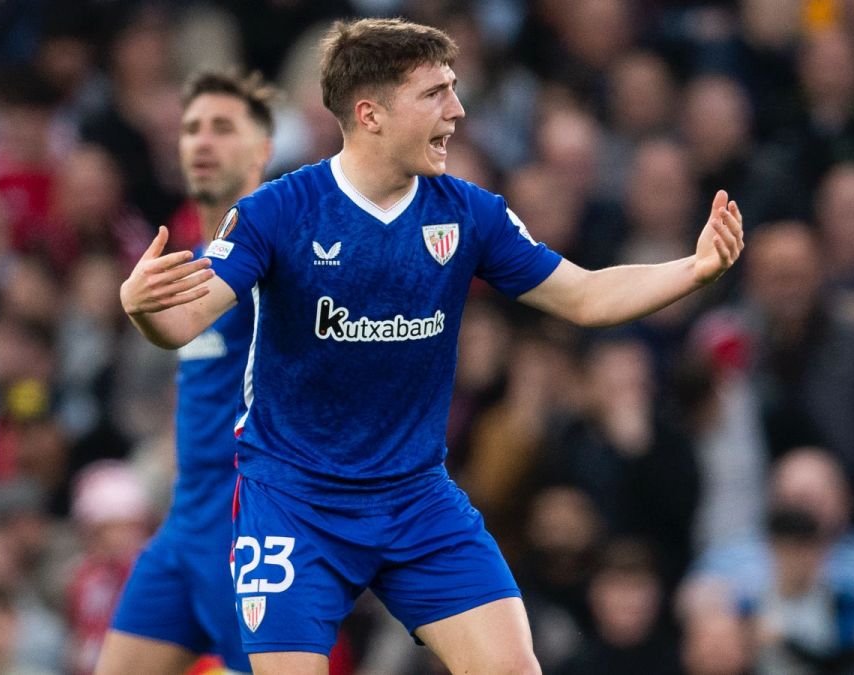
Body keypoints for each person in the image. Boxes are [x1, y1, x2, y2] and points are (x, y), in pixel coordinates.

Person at [120, 18, 743, 673]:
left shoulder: (469, 213)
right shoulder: (280, 211)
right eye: (436, 94)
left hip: (416, 498)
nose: (458, 110)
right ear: (371, 113)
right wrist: (143, 309)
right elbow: (189, 316)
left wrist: (694, 269)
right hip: (295, 503)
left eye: (455, 89)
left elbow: (584, 295)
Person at [97, 70, 275, 674]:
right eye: (192, 128)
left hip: (251, 531)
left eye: (223, 128)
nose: (202, 142)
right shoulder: (186, 266)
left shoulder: (282, 259)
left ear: (263, 150)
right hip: (185, 527)